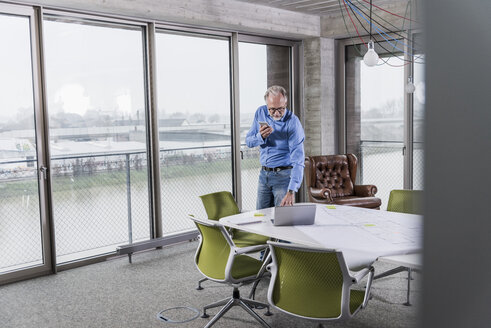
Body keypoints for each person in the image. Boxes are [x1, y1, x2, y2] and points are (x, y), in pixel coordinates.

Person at [246, 85, 305, 209]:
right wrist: (260, 136)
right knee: (261, 218)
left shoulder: (293, 123)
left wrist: (291, 191)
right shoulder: (260, 112)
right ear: (267, 105)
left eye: (281, 109)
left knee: (283, 220)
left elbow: (298, 160)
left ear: (286, 103)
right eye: (272, 109)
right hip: (264, 175)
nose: (277, 113)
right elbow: (249, 142)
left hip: (283, 177)